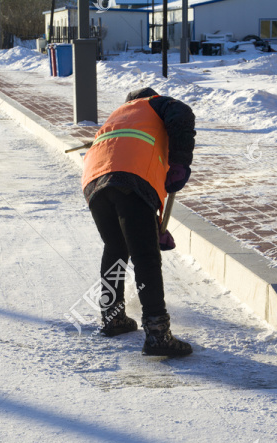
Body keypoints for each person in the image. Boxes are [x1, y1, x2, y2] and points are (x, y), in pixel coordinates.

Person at [81, 87, 196, 357]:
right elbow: (183, 113)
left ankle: (113, 316)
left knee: (116, 247)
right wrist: (180, 161)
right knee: (146, 256)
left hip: (94, 181)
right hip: (130, 178)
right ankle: (158, 333)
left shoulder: (120, 115)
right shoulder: (157, 104)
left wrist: (153, 226)